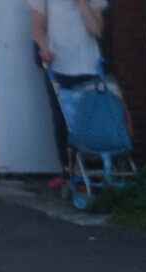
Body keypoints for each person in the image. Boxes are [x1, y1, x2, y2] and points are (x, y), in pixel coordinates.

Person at [30, 0, 107, 171]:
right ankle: (66, 171)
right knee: (61, 120)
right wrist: (43, 48)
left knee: (90, 123)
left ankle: (91, 171)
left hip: (87, 66)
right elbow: (36, 25)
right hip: (58, 66)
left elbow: (96, 29)